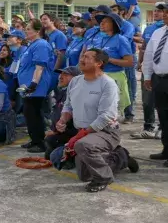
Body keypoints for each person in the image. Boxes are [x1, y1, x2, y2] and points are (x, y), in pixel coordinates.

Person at [51, 49, 139, 192]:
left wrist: (83, 134)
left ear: (99, 63)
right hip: (84, 132)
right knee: (84, 175)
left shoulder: (108, 84)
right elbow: (68, 105)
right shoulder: (75, 81)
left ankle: (103, 178)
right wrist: (62, 120)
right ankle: (121, 157)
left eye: (87, 57)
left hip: (106, 131)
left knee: (83, 145)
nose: (82, 60)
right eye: (82, 56)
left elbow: (106, 116)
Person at [143, 1, 168, 167]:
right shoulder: (158, 32)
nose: (164, 14)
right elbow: (149, 54)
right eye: (163, 11)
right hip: (159, 79)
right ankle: (167, 149)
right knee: (164, 116)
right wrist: (147, 75)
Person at [84, 13, 133, 116]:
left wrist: (108, 59)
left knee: (109, 113)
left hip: (113, 77)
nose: (101, 23)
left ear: (114, 25)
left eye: (105, 22)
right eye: (101, 21)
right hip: (97, 77)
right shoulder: (100, 39)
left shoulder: (120, 39)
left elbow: (129, 62)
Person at [17, 19, 54, 153]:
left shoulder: (41, 45)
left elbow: (40, 67)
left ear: (37, 31)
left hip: (36, 84)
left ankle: (40, 142)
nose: (25, 31)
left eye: (28, 29)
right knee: (29, 113)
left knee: (34, 112)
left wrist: (34, 83)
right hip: (27, 84)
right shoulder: (32, 45)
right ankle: (34, 139)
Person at [132, 3, 165, 139]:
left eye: (160, 11)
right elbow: (144, 47)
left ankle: (163, 127)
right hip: (148, 67)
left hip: (162, 69)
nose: (156, 13)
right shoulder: (150, 29)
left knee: (162, 100)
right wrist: (140, 61)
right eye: (155, 10)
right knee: (147, 100)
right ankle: (149, 127)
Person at [44, 66, 81, 161]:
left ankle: (72, 156)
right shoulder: (61, 92)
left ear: (75, 79)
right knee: (49, 155)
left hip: (75, 134)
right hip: (63, 131)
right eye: (61, 74)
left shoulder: (77, 94)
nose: (60, 77)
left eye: (66, 74)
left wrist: (55, 131)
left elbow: (73, 120)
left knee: (51, 141)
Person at [110, 4, 136, 124]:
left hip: (126, 57)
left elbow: (125, 38)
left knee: (127, 87)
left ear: (122, 12)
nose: (112, 13)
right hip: (114, 60)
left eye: (114, 10)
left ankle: (129, 114)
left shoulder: (128, 25)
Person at [4, 30, 27, 114]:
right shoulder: (16, 51)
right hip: (17, 81)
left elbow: (17, 68)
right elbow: (12, 68)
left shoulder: (24, 51)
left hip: (23, 82)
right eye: (7, 37)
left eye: (10, 37)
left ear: (19, 40)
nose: (8, 39)